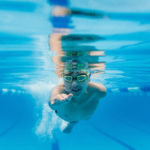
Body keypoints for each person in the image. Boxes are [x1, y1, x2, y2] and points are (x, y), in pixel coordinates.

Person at [49, 61, 106, 133]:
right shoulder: (59, 90)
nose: (74, 84)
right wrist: (55, 101)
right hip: (69, 117)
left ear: (89, 78)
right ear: (63, 79)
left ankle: (72, 123)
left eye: (81, 77)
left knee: (73, 121)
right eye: (68, 78)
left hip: (77, 116)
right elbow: (52, 101)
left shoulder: (99, 90)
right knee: (70, 124)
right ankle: (71, 123)